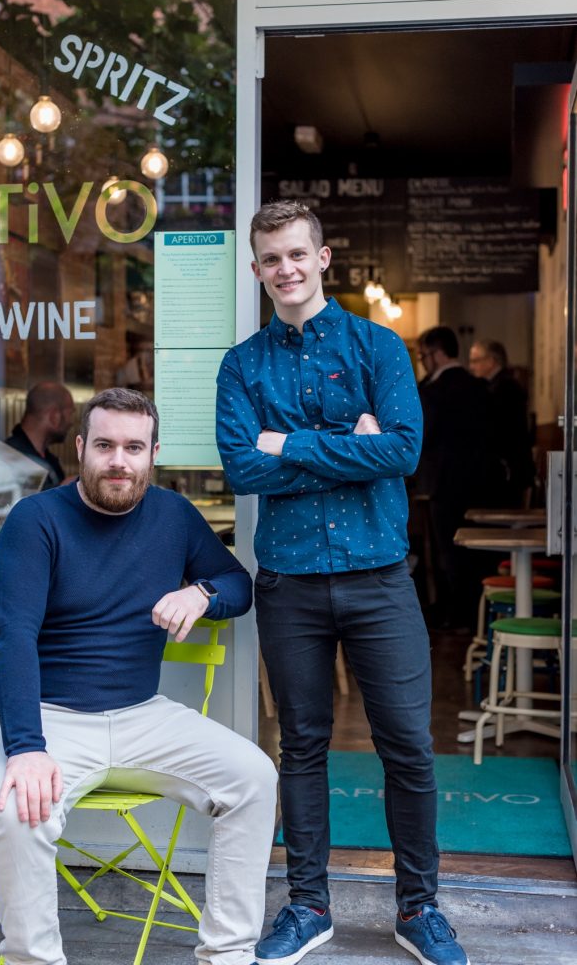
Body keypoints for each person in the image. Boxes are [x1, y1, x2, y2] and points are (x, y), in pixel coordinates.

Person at [216, 201, 468, 965]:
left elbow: (400, 453)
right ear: (256, 270)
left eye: (297, 254)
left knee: (408, 748)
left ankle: (418, 907)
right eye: (270, 259)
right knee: (300, 747)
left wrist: (287, 442)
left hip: (379, 580)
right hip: (289, 584)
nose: (285, 269)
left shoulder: (378, 347)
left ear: (322, 258)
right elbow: (242, 468)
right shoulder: (241, 366)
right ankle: (307, 906)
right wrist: (345, 446)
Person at [0, 387, 277, 965]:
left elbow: (238, 584)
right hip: (52, 717)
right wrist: (26, 748)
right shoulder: (35, 519)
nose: (119, 461)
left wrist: (201, 593)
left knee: (255, 777)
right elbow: (11, 638)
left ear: (153, 454)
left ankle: (228, 953)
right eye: (105, 446)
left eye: (133, 448)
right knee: (16, 813)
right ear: (80, 448)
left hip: (144, 713)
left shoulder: (173, 514)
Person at [415, 326, 495, 631]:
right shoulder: (480, 387)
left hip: (443, 482)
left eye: (423, 356)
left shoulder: (432, 392)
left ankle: (455, 615)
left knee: (448, 551)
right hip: (480, 482)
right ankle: (477, 615)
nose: (423, 362)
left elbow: (423, 435)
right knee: (476, 552)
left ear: (437, 354)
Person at [468, 338, 535, 507]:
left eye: (475, 361)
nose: (471, 367)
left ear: (491, 361)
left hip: (506, 473)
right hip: (506, 470)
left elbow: (497, 432)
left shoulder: (504, 387)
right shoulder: (500, 385)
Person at [5, 381, 75, 489]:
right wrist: (64, 489)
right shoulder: (9, 459)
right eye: (70, 414)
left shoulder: (51, 462)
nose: (71, 423)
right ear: (54, 416)